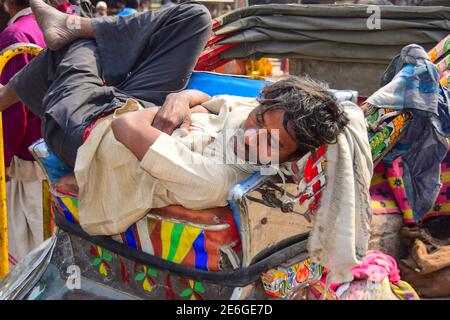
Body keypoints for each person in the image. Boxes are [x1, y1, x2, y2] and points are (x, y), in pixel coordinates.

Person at [0, 0, 351, 236]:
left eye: (271, 144)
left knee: (78, 49)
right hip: (137, 108)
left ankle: (24, 79)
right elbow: (209, 99)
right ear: (261, 106)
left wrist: (177, 112)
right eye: (258, 120)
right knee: (193, 18)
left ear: (289, 157)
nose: (251, 136)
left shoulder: (216, 178)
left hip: (90, 132)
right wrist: (181, 100)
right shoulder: (264, 114)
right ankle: (77, 26)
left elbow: (126, 126)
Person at [0, 0, 46, 264]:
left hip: (27, 166)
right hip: (53, 156)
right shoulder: (46, 24)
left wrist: (2, 161)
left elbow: (14, 115)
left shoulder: (15, 36)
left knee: (27, 257)